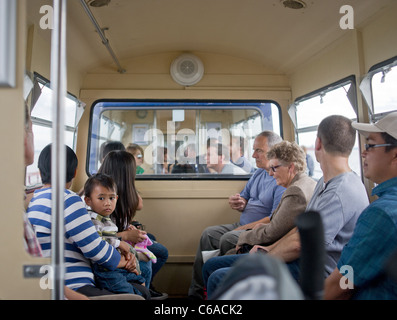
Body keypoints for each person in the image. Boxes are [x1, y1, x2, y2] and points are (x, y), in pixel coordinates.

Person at [255, 115, 369, 282]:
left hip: (317, 273)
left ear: (318, 143)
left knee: (220, 276)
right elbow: (299, 230)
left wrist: (261, 262)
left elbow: (299, 244)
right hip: (304, 262)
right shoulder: (324, 182)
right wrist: (267, 249)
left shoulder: (340, 191)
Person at [202, 140, 317, 298]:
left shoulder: (295, 192)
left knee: (214, 267)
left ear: (291, 167)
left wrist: (244, 236)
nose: (270, 173)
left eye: (274, 168)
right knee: (215, 254)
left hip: (280, 254)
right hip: (273, 243)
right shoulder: (301, 184)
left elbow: (272, 232)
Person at [27, 144, 137, 298]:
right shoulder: (68, 200)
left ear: (40, 171)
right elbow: (94, 248)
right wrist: (125, 262)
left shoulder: (35, 200)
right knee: (137, 296)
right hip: (74, 283)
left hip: (49, 281)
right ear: (75, 172)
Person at [188, 131, 285, 299]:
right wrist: (240, 203)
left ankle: (223, 291)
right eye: (254, 150)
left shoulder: (280, 179)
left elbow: (273, 219)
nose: (253, 155)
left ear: (274, 150)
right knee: (208, 235)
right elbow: (245, 196)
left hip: (257, 230)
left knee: (228, 238)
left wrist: (243, 228)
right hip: (242, 225)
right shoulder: (258, 173)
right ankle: (197, 293)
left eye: (259, 151)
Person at [325, 111, 397, 300]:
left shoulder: (383, 213)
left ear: (395, 156)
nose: (364, 152)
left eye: (371, 145)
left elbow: (343, 284)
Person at [98, 150, 168, 299]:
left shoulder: (121, 193)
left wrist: (129, 229)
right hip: (112, 246)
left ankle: (146, 289)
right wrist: (125, 235)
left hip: (120, 240)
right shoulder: (102, 198)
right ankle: (145, 291)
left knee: (159, 250)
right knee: (148, 263)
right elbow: (97, 235)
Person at [83, 173, 151, 297]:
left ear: (117, 198)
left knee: (140, 279)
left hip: (115, 265)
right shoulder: (93, 220)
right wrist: (119, 243)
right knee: (128, 291)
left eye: (111, 198)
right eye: (101, 198)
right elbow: (98, 242)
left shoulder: (106, 219)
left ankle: (143, 293)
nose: (108, 203)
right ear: (88, 200)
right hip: (105, 271)